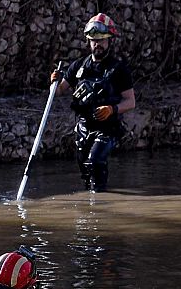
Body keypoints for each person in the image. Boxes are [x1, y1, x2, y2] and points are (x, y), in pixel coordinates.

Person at [50, 12, 136, 192]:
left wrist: (112, 109)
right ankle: (92, 204)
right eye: (94, 40)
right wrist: (54, 81)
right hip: (83, 127)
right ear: (89, 42)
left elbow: (130, 102)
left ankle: (100, 204)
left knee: (95, 161)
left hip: (107, 127)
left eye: (102, 40)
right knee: (86, 170)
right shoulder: (78, 66)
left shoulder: (119, 69)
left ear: (109, 41)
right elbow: (58, 92)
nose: (98, 45)